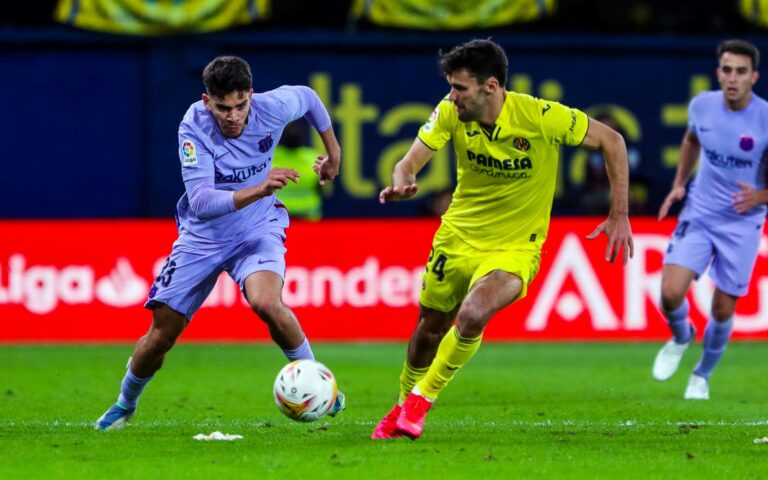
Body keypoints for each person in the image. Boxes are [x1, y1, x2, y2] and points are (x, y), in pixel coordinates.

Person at [372, 39, 634, 440]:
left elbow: (613, 141)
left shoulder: (540, 116)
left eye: (460, 87)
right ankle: (403, 404)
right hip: (458, 236)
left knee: (475, 314)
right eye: (451, 86)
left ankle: (421, 402)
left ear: (490, 86)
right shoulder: (449, 112)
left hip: (516, 245)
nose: (451, 95)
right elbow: (409, 161)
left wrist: (619, 215)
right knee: (428, 329)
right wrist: (403, 178)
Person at [95, 56, 343, 430]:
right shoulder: (192, 128)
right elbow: (203, 203)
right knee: (162, 334)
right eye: (223, 108)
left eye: (240, 105)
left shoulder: (271, 108)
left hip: (257, 226)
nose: (233, 116)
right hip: (203, 237)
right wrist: (260, 186)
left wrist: (334, 152)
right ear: (207, 101)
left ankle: (322, 385)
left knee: (267, 303)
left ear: (251, 96)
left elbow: (309, 98)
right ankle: (125, 403)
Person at [652, 39, 768, 400]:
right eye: (727, 70)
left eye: (741, 72)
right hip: (700, 212)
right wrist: (678, 184)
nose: (732, 78)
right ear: (719, 73)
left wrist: (762, 195)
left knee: (722, 307)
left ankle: (702, 374)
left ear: (754, 77)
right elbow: (690, 141)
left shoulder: (765, 118)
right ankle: (681, 335)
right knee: (670, 293)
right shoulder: (702, 106)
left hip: (742, 223)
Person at [271, 120, 324, 220]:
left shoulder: (269, 157)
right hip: (298, 215)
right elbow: (320, 189)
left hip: (289, 216)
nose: (293, 132)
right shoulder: (313, 157)